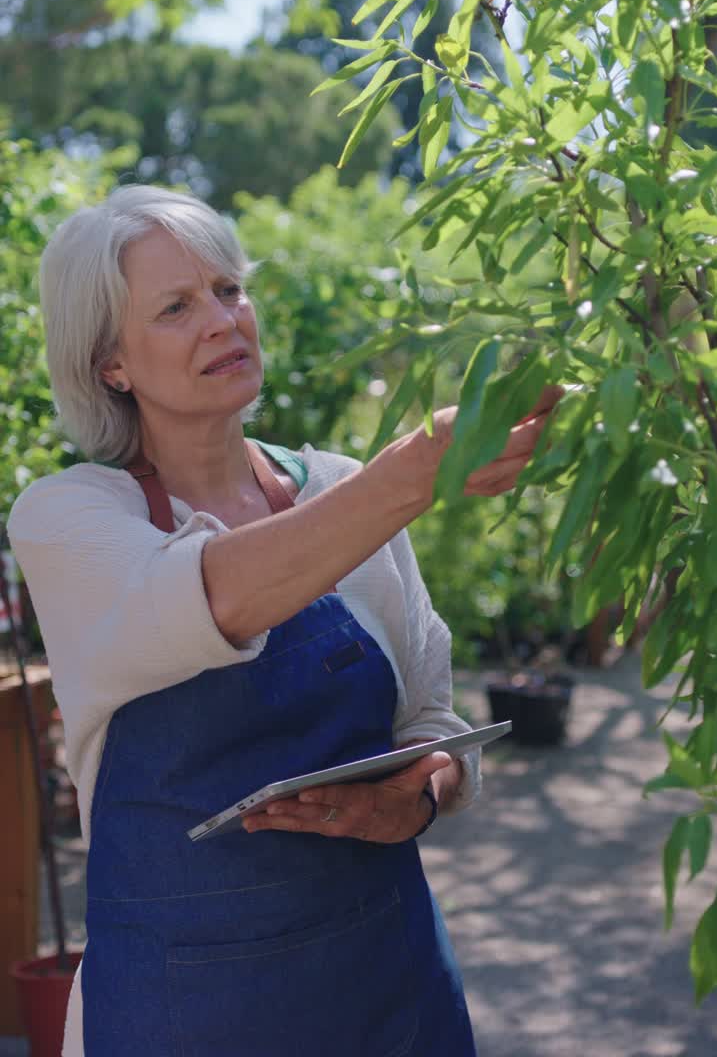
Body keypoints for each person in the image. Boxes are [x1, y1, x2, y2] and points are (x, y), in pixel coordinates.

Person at [8, 185, 562, 1057]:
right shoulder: (69, 519)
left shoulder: (339, 489)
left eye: (229, 289)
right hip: (179, 1016)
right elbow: (209, 597)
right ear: (111, 362)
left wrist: (417, 796)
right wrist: (417, 469)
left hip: (392, 988)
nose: (224, 321)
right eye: (177, 306)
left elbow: (434, 720)